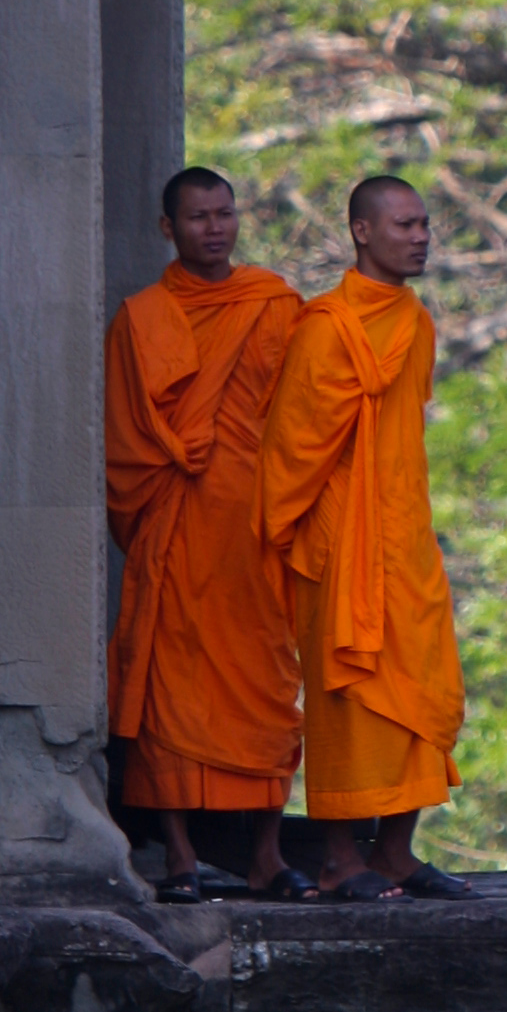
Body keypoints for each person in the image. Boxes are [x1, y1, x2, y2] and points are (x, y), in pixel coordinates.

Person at [258, 173, 471, 899]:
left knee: (426, 686)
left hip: (404, 535)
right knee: (346, 697)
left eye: (423, 226)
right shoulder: (327, 327)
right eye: (405, 226)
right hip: (340, 539)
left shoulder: (413, 322)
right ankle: (340, 857)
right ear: (362, 232)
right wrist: (284, 535)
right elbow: (293, 445)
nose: (419, 239)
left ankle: (398, 853)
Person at [105, 165, 311, 903]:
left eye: (225, 214)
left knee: (267, 686)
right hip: (178, 524)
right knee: (169, 689)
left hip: (257, 529)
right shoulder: (142, 318)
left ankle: (265, 853)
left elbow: (303, 414)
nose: (215, 228)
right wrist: (172, 454)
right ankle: (182, 855)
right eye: (198, 218)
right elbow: (124, 438)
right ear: (169, 228)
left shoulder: (273, 303)